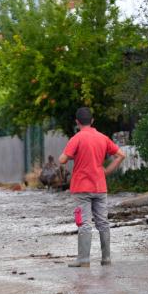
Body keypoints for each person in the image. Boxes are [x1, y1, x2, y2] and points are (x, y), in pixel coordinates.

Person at [59, 107, 125, 267]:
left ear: (77, 122)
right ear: (92, 120)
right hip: (100, 187)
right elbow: (121, 155)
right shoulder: (102, 138)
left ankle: (83, 261)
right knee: (103, 222)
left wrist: (72, 155)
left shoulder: (77, 138)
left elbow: (62, 160)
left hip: (81, 188)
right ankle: (106, 259)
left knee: (84, 223)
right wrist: (107, 171)